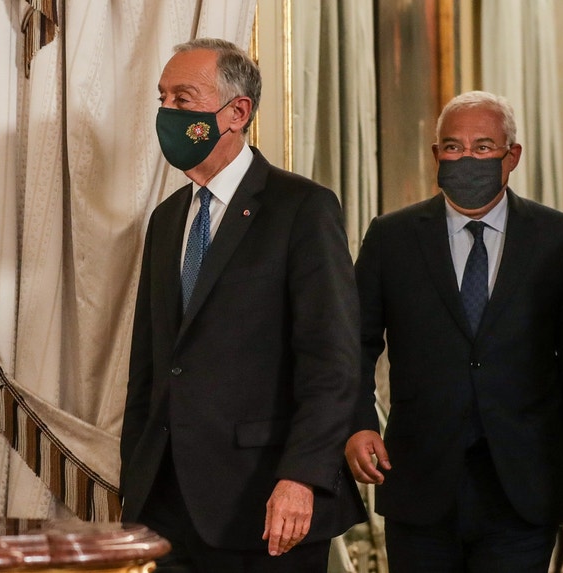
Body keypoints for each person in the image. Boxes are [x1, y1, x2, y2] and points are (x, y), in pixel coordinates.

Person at [119, 38, 366, 572]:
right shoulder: (167, 220)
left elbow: (332, 362)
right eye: (163, 98)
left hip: (267, 503)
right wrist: (134, 485)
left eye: (183, 99)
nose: (167, 112)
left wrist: (301, 477)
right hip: (164, 507)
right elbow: (150, 366)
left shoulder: (302, 208)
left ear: (237, 112)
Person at [345, 91, 563, 571]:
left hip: (523, 484)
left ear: (511, 156)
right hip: (420, 481)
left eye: (483, 147)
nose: (466, 159)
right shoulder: (391, 237)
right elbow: (354, 343)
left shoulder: (557, 238)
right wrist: (358, 422)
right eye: (453, 147)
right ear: (436, 154)